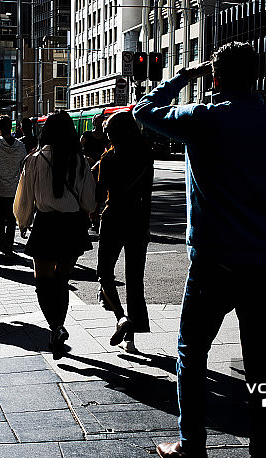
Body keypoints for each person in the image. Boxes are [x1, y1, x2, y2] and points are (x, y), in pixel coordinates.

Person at [133, 42, 266, 458]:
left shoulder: (204, 118)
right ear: (257, 77)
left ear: (215, 76)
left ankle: (193, 447)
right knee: (262, 370)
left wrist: (182, 76)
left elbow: (143, 111)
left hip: (214, 262)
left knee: (192, 353)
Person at [14, 111, 97, 357]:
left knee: (43, 282)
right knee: (62, 281)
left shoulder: (35, 159)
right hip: (72, 227)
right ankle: (59, 325)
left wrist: (24, 222)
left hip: (46, 225)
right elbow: (90, 203)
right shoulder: (81, 161)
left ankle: (55, 327)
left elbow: (25, 197)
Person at [95, 110, 154, 354]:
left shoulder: (108, 159)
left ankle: (120, 318)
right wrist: (147, 226)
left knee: (105, 273)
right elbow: (147, 196)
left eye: (108, 133)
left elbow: (98, 195)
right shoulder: (145, 156)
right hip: (138, 220)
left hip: (113, 218)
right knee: (134, 280)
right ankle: (131, 338)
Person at [0, 114, 27, 259]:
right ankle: (9, 244)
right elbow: (24, 168)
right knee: (11, 218)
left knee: (0, 217)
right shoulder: (21, 147)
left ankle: (2, 243)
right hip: (15, 188)